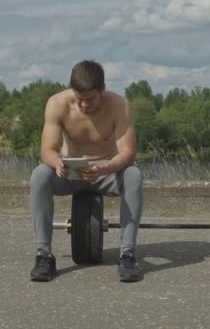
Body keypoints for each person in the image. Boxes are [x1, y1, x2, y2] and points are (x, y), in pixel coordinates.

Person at [29, 60, 143, 282]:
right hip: (70, 173)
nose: (83, 105)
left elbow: (128, 153)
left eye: (90, 99)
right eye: (79, 99)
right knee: (40, 174)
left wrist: (104, 167)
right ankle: (43, 255)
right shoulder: (57, 104)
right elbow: (47, 151)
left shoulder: (119, 105)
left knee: (134, 175)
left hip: (106, 171)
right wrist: (58, 162)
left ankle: (127, 255)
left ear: (102, 89)